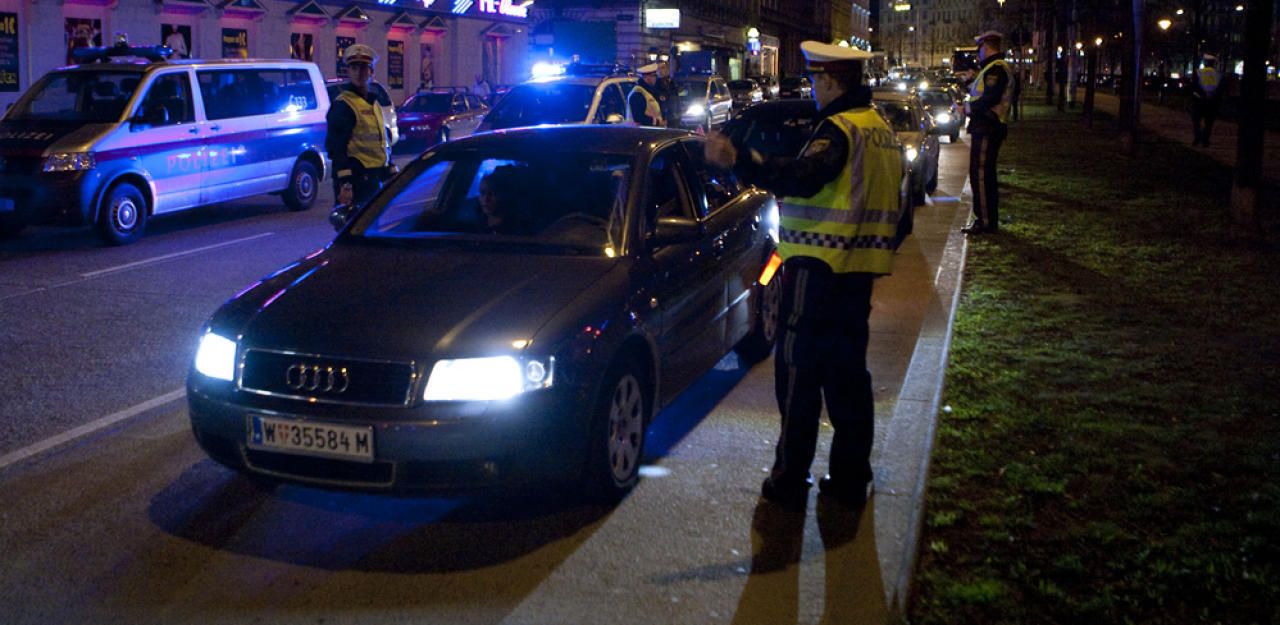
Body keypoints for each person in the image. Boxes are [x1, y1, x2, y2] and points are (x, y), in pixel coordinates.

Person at [705, 41, 904, 512]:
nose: (814, 88)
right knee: (848, 377)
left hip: (817, 272)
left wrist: (741, 159)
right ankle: (852, 477)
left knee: (797, 375)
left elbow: (802, 176)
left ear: (832, 80)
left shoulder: (838, 130)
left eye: (817, 79)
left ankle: (790, 480)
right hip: (857, 274)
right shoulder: (880, 130)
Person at [326, 44, 397, 209]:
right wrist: (345, 183)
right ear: (349, 72)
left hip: (375, 178)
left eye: (364, 68)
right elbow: (336, 148)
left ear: (371, 72)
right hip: (356, 180)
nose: (359, 73)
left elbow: (381, 140)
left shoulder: (374, 103)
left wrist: (390, 168)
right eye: (354, 68)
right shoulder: (343, 105)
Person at [962, 30, 1013, 235]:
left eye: (980, 48)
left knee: (981, 175)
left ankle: (984, 221)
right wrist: (968, 83)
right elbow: (980, 94)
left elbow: (989, 99)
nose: (979, 53)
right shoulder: (991, 69)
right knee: (983, 174)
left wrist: (966, 109)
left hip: (987, 127)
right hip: (985, 126)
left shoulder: (997, 69)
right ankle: (986, 219)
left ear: (987, 46)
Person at [1190, 54, 1224, 147]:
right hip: (1212, 102)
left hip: (1199, 100)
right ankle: (1205, 140)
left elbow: (1193, 87)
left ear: (1205, 63)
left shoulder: (1198, 73)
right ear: (1213, 64)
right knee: (1209, 123)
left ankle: (1197, 138)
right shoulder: (1218, 74)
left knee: (1196, 121)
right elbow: (1221, 90)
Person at [628, 63, 667, 127]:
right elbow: (639, 118)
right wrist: (657, 122)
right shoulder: (638, 93)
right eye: (654, 75)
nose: (655, 78)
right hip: (642, 133)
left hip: (653, 132)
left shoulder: (650, 91)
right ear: (646, 77)